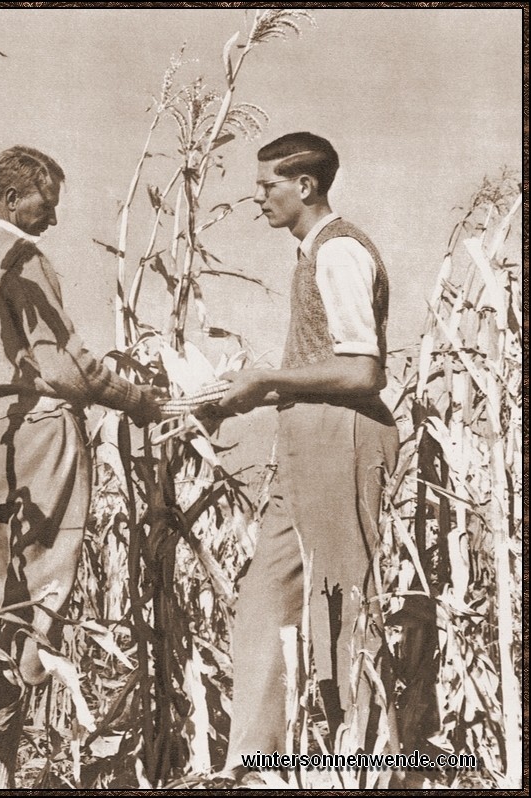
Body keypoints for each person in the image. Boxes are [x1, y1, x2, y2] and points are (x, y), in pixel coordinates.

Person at [0, 146, 161, 788]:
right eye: (47, 204)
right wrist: (138, 399)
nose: (54, 219)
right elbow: (66, 364)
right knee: (45, 597)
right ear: (9, 199)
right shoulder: (22, 258)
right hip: (40, 432)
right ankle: (32, 689)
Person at [217, 133, 400, 771]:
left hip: (343, 434)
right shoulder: (309, 255)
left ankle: (374, 761)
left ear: (307, 187)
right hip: (304, 437)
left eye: (267, 184)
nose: (257, 195)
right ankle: (257, 762)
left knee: (349, 603)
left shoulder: (339, 252)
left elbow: (362, 372)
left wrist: (269, 379)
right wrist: (251, 395)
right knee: (265, 596)